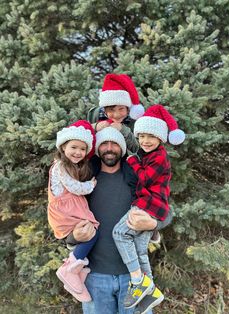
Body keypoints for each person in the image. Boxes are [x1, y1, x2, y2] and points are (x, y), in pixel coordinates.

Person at [70, 126, 157, 314]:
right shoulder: (84, 181)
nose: (109, 148)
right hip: (94, 277)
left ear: (122, 148)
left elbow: (165, 209)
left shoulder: (137, 177)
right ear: (97, 148)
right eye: (104, 144)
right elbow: (62, 213)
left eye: (114, 144)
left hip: (134, 278)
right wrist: (72, 236)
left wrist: (154, 224)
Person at [112, 104, 185, 313]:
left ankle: (138, 281)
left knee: (120, 232)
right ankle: (150, 291)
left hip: (150, 204)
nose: (145, 140)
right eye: (141, 135)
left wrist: (133, 161)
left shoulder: (160, 156)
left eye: (151, 135)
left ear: (161, 137)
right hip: (151, 204)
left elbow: (144, 178)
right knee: (139, 249)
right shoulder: (147, 153)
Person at [47, 120, 100, 302]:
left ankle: (76, 270)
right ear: (63, 147)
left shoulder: (71, 166)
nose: (78, 152)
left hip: (71, 206)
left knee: (91, 233)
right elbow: (74, 187)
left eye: (82, 149)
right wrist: (90, 185)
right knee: (91, 233)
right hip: (65, 210)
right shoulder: (60, 166)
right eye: (73, 147)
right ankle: (68, 268)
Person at [87, 73, 145, 154]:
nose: (117, 115)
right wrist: (94, 127)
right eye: (111, 110)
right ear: (104, 109)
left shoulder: (135, 121)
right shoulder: (95, 114)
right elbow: (83, 132)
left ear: (127, 108)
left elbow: (138, 149)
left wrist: (123, 130)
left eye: (121, 109)